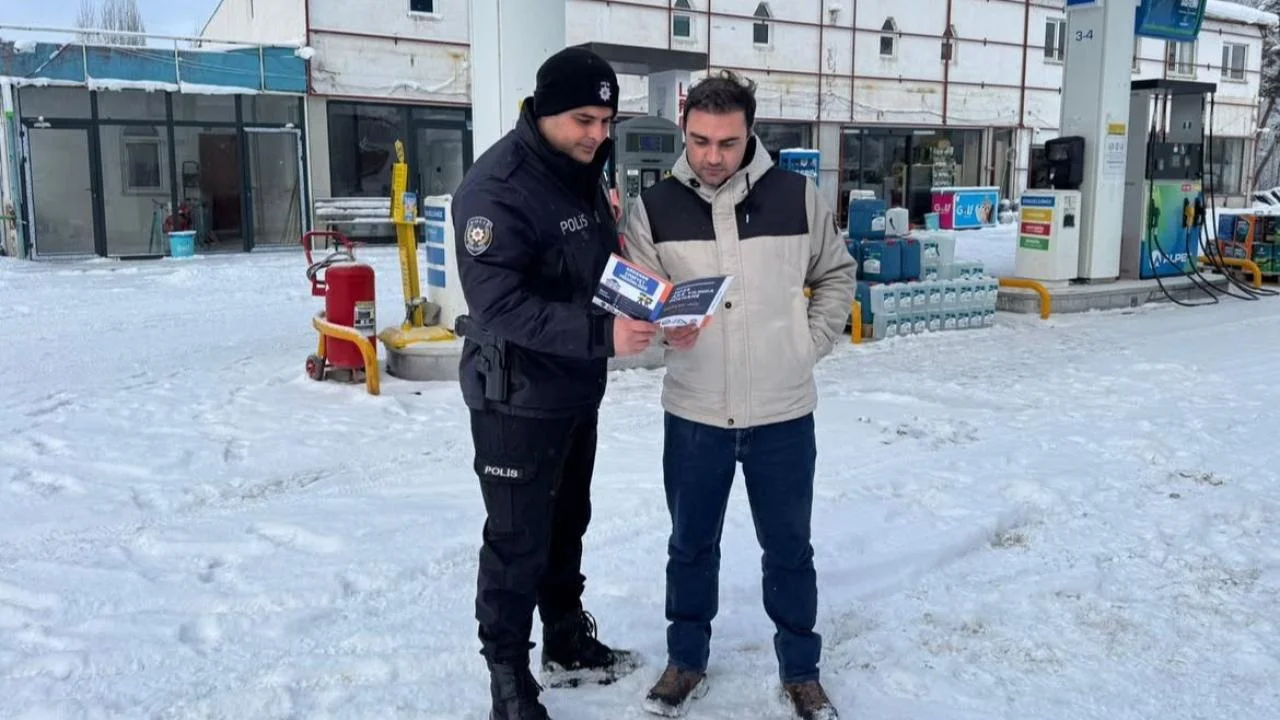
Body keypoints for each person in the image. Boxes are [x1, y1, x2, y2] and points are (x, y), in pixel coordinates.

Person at [620, 70, 856, 720]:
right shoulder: (653, 210)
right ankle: (685, 662)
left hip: (784, 413)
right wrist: (663, 329)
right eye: (699, 141)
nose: (713, 156)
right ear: (685, 131)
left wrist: (808, 342)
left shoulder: (797, 197)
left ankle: (801, 670)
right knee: (690, 546)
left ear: (750, 133)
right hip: (695, 414)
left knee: (790, 550)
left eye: (727, 142)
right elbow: (641, 304)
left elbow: (836, 273)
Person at [450, 46, 657, 720]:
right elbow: (500, 305)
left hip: (573, 388)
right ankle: (509, 681)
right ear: (543, 111)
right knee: (517, 541)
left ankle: (565, 639)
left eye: (606, 121)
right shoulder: (495, 189)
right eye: (583, 120)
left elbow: (586, 263)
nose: (597, 134)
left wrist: (644, 297)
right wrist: (604, 336)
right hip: (516, 397)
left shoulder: (582, 169)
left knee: (568, 522)